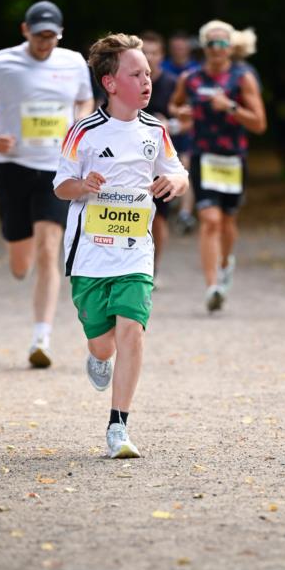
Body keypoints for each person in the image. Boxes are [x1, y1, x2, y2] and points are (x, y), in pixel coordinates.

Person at [53, 33, 188, 458]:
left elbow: (180, 172)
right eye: (136, 74)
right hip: (90, 253)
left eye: (148, 73)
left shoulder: (156, 130)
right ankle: (97, 355)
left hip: (134, 251)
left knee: (132, 329)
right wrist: (83, 184)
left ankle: (118, 427)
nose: (147, 81)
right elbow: (61, 186)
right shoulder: (83, 132)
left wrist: (175, 182)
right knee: (103, 343)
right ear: (110, 83)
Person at [0, 1, 94, 367]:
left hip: (55, 169)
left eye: (51, 36)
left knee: (50, 249)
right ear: (25, 31)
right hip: (12, 167)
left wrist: (79, 121)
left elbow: (85, 99)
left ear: (60, 34)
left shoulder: (72, 62)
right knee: (21, 262)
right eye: (38, 36)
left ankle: (42, 337)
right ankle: (20, 259)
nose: (44, 43)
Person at [169, 19, 266, 311]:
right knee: (209, 220)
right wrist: (181, 112)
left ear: (231, 47)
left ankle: (225, 264)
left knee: (227, 222)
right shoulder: (191, 78)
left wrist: (232, 108)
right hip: (202, 155)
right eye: (211, 42)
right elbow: (175, 106)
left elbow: (260, 123)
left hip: (233, 158)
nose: (216, 48)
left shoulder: (242, 78)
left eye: (222, 42)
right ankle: (212, 286)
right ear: (204, 46)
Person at [141, 31, 178, 281]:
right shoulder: (126, 81)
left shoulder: (172, 83)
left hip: (161, 158)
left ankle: (152, 269)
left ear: (161, 56)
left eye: (154, 53)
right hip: (129, 157)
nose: (149, 57)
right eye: (144, 52)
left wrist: (169, 125)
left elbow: (187, 120)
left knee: (159, 216)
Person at [162, 31, 199, 235]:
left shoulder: (196, 70)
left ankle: (185, 213)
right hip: (162, 124)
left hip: (187, 128)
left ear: (187, 48)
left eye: (182, 47)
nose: (179, 50)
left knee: (186, 166)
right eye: (175, 47)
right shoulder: (162, 67)